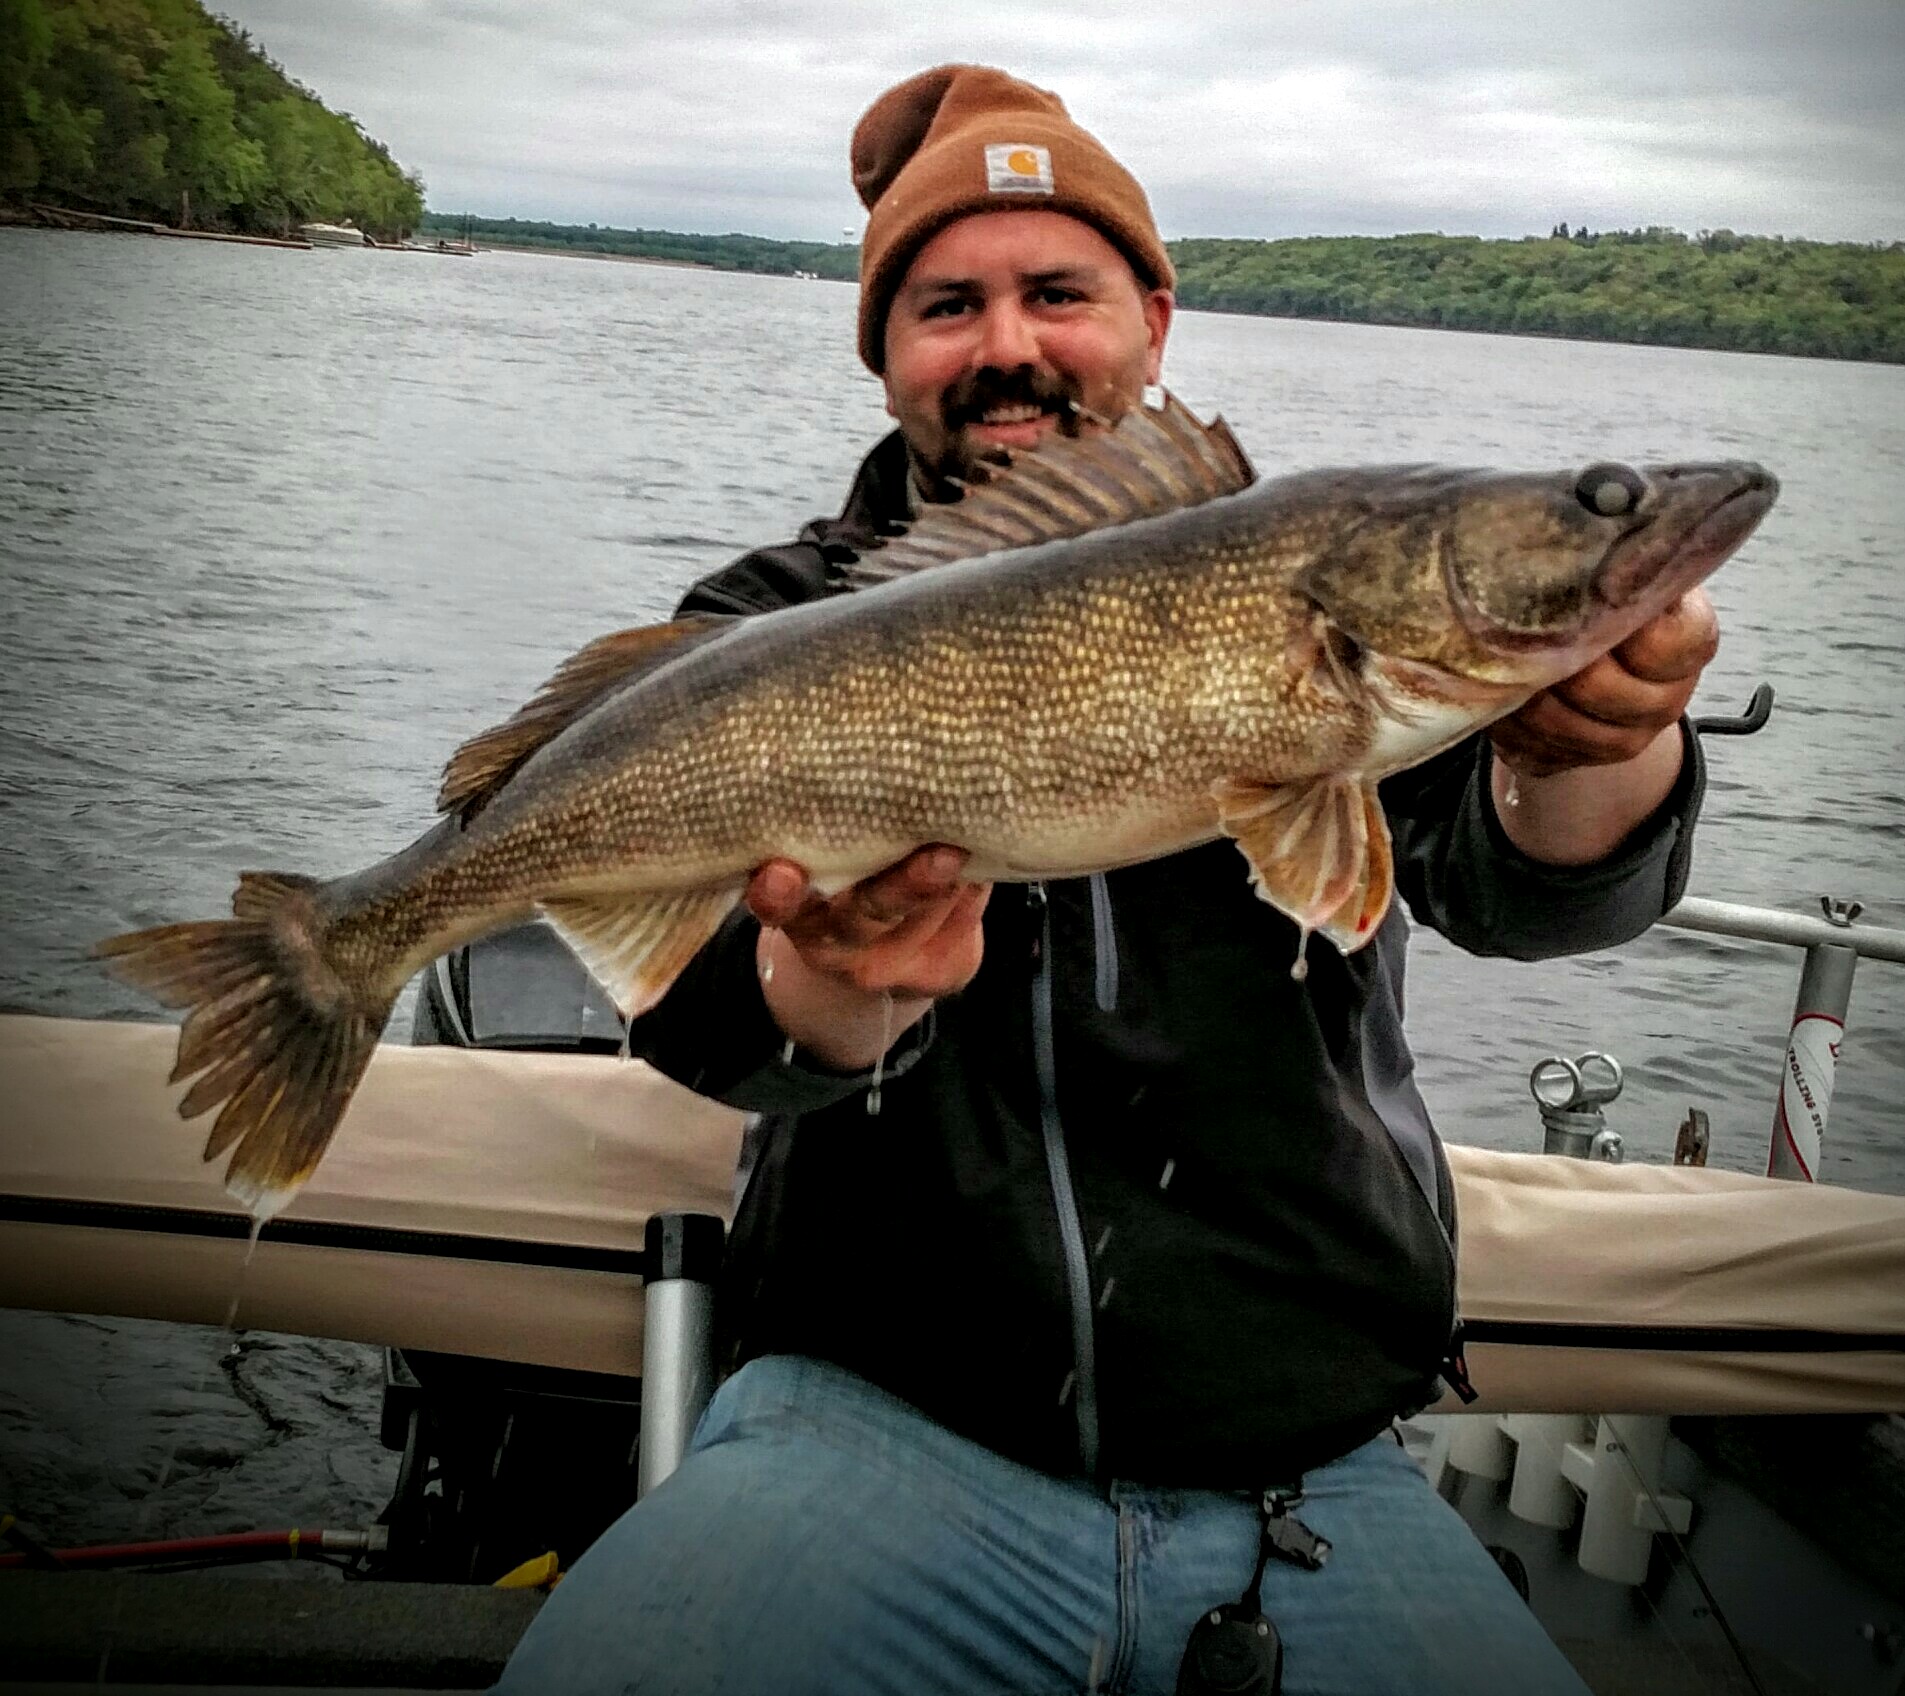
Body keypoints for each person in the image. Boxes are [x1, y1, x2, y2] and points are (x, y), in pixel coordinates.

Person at [479, 64, 1719, 1695]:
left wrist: (1595, 746)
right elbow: (698, 1016)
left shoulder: (1318, 574)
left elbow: (1531, 896)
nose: (1006, 345)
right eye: (945, 305)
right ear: (885, 352)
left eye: (1055, 292)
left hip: (1314, 1468)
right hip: (872, 1422)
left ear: (1150, 315)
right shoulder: (764, 622)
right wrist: (829, 985)